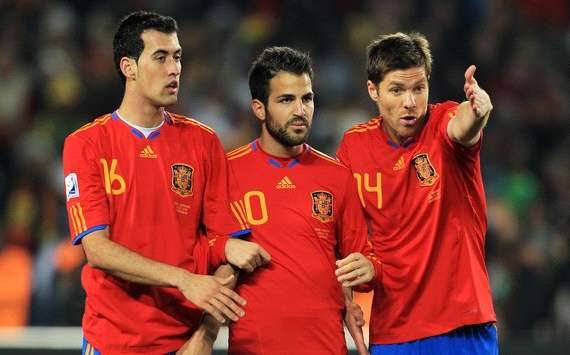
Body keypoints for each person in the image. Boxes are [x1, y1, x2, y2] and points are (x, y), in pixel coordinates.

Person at [62, 11, 269, 355]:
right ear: (128, 67)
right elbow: (97, 250)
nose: (174, 69)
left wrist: (205, 336)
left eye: (177, 57)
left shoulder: (203, 142)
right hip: (112, 342)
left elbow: (231, 249)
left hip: (186, 344)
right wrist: (184, 279)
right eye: (160, 57)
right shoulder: (86, 144)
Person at [336, 32, 498, 354]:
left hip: (461, 324)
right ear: (373, 90)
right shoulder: (354, 147)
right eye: (396, 90)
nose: (410, 103)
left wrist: (478, 111)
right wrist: (353, 289)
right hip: (392, 331)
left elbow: (462, 126)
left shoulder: (442, 123)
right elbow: (344, 234)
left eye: (418, 88)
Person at [221, 46, 382, 355]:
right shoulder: (226, 173)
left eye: (306, 98)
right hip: (253, 348)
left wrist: (366, 275)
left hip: (325, 346)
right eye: (286, 100)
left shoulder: (338, 177)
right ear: (258, 108)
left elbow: (362, 258)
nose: (300, 110)